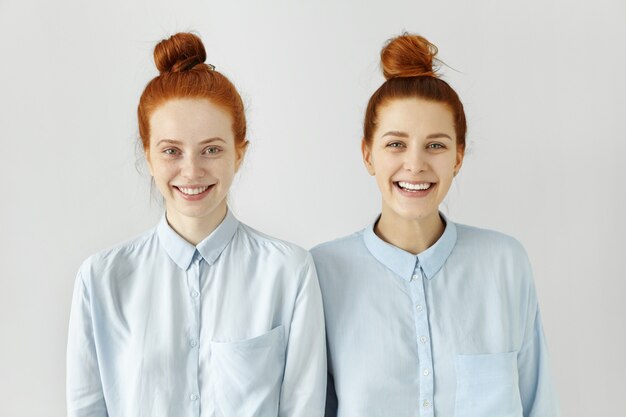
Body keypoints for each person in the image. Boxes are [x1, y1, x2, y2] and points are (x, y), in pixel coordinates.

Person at [66, 32, 326, 417]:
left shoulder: (288, 271)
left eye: (211, 150)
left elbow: (302, 408)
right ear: (149, 155)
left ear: (239, 153)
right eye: (171, 150)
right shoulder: (101, 280)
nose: (191, 171)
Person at [311, 33, 559, 417]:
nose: (415, 164)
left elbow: (539, 403)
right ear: (368, 155)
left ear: (458, 157)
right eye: (396, 144)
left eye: (436, 145)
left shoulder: (505, 262)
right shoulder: (322, 273)